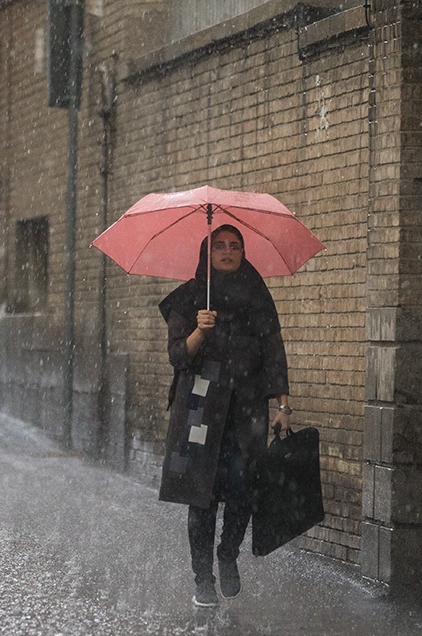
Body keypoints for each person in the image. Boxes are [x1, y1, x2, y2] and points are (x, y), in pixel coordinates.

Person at [157, 224, 292, 608]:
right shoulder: (190, 296)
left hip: (247, 409)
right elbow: (178, 356)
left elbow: (273, 351)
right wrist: (199, 331)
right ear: (208, 252)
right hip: (200, 408)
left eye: (236, 246)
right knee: (201, 496)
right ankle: (202, 579)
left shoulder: (257, 294)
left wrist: (282, 405)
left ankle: (227, 554)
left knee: (243, 489)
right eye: (220, 246)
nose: (228, 251)